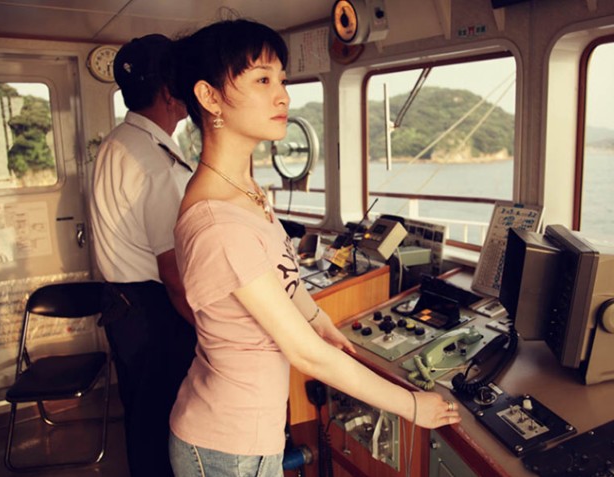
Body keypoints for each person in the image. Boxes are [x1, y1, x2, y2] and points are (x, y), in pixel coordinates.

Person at [168, 19, 461, 477]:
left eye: (282, 80)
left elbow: (283, 277)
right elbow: (304, 354)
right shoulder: (217, 223)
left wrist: (316, 318)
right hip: (226, 447)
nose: (283, 96)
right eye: (262, 80)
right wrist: (410, 406)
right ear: (209, 97)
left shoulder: (245, 189)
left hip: (244, 433)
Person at [89, 34, 197, 477]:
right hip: (155, 313)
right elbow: (173, 273)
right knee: (165, 421)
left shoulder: (117, 142)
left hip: (123, 306)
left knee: (142, 416)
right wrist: (209, 328)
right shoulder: (156, 163)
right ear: (170, 92)